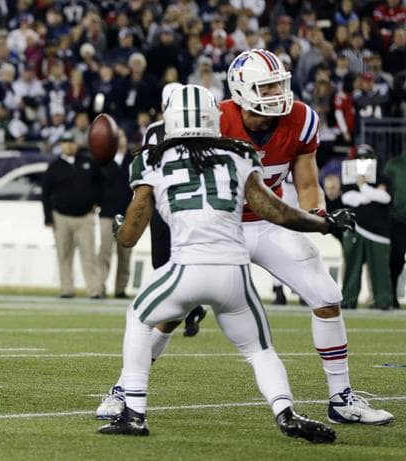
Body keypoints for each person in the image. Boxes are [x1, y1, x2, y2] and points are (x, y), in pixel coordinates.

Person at [97, 49, 393, 425]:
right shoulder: (213, 119)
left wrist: (317, 216)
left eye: (278, 84)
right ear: (240, 89)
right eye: (266, 86)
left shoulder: (301, 119)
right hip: (221, 226)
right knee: (168, 315)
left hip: (271, 222)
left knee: (327, 295)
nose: (276, 93)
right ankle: (124, 390)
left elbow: (306, 182)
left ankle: (341, 397)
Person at [42, 131, 102, 299]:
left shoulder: (88, 162)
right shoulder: (54, 167)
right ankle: (67, 289)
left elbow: (100, 184)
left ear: (77, 144)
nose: (69, 145)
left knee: (89, 255)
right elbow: (45, 194)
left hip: (85, 217)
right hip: (61, 217)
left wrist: (95, 203)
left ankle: (94, 290)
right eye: (66, 142)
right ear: (61, 145)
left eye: (72, 142)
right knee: (64, 254)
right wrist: (48, 217)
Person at [340, 145, 393, 310]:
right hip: (356, 228)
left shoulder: (383, 176)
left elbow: (384, 198)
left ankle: (383, 301)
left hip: (378, 232)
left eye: (367, 158)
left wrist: (363, 188)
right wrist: (370, 194)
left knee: (380, 270)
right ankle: (348, 300)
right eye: (360, 158)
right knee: (351, 267)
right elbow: (348, 199)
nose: (363, 161)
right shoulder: (349, 177)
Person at [97, 129, 132, 299]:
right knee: (105, 252)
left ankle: (120, 288)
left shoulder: (133, 161)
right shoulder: (105, 161)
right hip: (107, 214)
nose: (120, 140)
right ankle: (99, 286)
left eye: (122, 136)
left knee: (125, 254)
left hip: (127, 214)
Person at [386, 150, 406, 308]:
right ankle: (391, 294)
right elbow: (385, 189)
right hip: (398, 220)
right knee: (396, 259)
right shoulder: (394, 165)